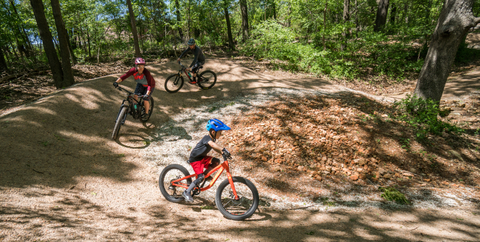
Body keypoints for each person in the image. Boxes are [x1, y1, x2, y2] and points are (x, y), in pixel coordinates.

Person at [182, 119, 232, 203]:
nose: (221, 134)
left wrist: (222, 153)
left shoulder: (212, 140)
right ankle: (186, 192)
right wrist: (223, 149)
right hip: (195, 160)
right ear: (213, 132)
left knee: (216, 161)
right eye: (220, 132)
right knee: (200, 177)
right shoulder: (207, 138)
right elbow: (212, 145)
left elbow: (214, 147)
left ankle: (205, 175)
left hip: (202, 158)